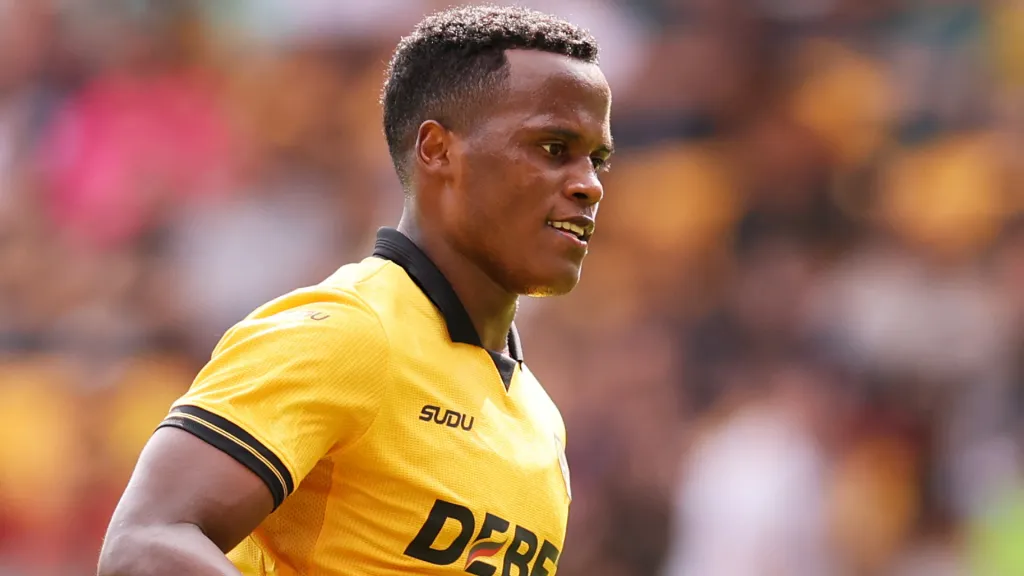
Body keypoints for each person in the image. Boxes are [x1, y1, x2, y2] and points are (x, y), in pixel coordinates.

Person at [96, 4, 613, 575]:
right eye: (551, 148)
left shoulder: (539, 418)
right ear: (438, 150)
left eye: (598, 160)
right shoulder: (347, 332)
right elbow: (143, 544)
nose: (589, 184)